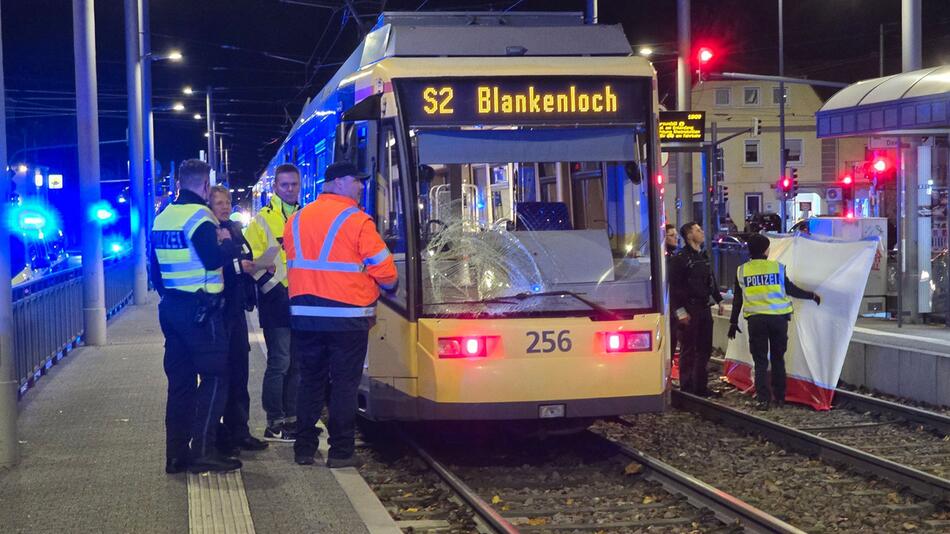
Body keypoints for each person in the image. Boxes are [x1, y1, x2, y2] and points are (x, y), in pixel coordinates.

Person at [286, 161, 398, 468]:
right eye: (355, 181)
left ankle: (304, 449)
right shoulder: (357, 221)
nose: (361, 186)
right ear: (336, 183)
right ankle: (340, 451)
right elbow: (384, 270)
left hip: (305, 315)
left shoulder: (296, 219)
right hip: (347, 316)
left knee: (310, 381)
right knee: (345, 384)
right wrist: (389, 285)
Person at [150, 159, 240, 474]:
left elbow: (155, 270)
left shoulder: (162, 217)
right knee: (216, 377)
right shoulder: (200, 215)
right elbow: (212, 258)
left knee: (180, 384)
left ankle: (175, 456)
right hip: (201, 312)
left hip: (171, 308)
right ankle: (203, 450)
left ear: (179, 182)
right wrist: (229, 245)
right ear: (204, 186)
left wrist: (171, 296)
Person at [728, 233, 821, 410]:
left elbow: (738, 299)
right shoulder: (776, 268)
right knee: (778, 359)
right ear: (765, 250)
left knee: (760, 360)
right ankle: (780, 396)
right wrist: (811, 296)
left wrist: (733, 322)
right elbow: (791, 289)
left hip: (756, 321)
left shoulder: (742, 270)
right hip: (778, 320)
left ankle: (763, 398)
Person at [209, 186, 269, 455]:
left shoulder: (233, 228)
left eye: (227, 201)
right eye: (219, 202)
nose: (224, 206)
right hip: (219, 312)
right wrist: (237, 263)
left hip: (236, 310)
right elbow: (215, 266)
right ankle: (220, 435)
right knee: (221, 375)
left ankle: (240, 430)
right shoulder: (207, 230)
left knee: (240, 373)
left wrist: (255, 263)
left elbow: (244, 255)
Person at [244, 163, 301, 441]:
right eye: (284, 185)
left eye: (294, 185)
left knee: (297, 363)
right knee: (280, 361)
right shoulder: (261, 220)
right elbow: (252, 264)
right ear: (275, 187)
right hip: (277, 299)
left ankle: (292, 418)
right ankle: (273, 421)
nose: (289, 190)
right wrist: (274, 289)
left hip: (303, 299)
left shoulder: (305, 216)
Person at [668, 221, 723, 397]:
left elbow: (710, 280)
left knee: (704, 348)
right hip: (689, 308)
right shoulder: (680, 259)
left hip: (704, 306)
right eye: (698, 230)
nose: (702, 232)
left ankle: (701, 386)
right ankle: (687, 385)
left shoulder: (703, 256)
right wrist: (680, 312)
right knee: (689, 348)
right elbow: (674, 288)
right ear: (689, 235)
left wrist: (719, 300)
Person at [664, 224, 679, 362]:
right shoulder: (663, 259)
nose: (676, 238)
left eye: (676, 235)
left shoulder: (674, 257)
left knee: (674, 338)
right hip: (668, 305)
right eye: (672, 235)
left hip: (674, 306)